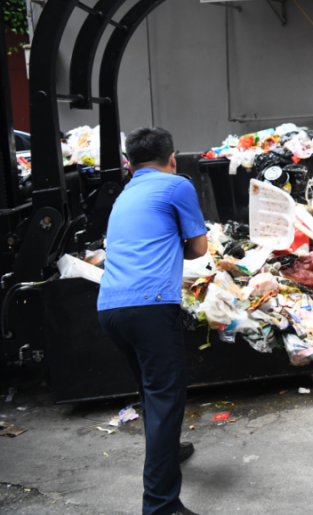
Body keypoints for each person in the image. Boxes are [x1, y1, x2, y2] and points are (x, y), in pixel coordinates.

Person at [97, 127, 207, 515]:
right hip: (149, 307)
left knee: (151, 391)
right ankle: (161, 505)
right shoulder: (176, 185)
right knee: (165, 395)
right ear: (172, 158)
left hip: (109, 309)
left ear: (130, 163)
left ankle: (169, 450)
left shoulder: (124, 196)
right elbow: (198, 248)